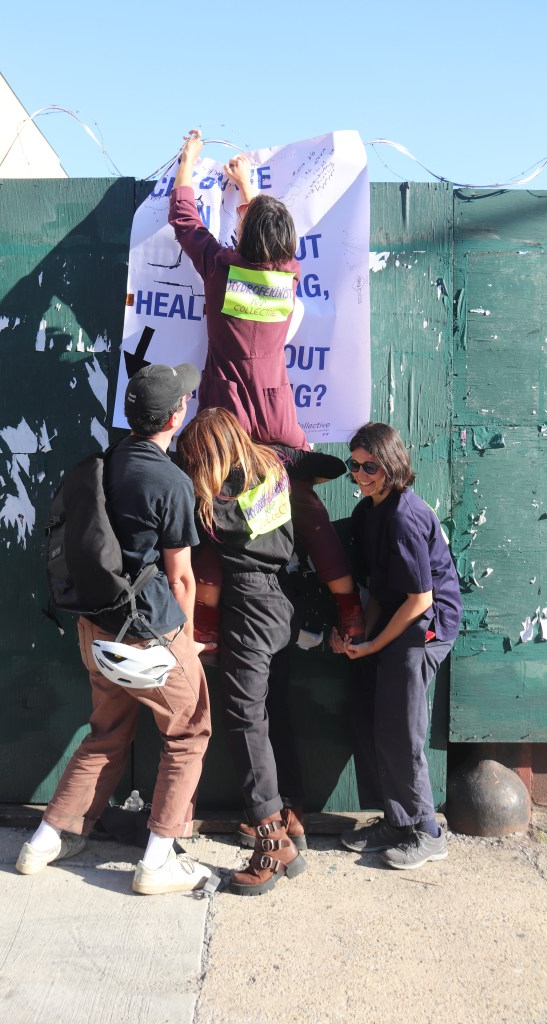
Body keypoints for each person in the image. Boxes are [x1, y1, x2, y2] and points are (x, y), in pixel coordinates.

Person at [16, 363, 216, 896]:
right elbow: (181, 578)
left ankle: (44, 841)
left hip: (96, 628)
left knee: (106, 733)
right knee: (189, 731)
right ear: (177, 415)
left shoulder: (105, 461)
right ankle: (157, 860)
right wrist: (189, 648)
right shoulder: (171, 482)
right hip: (152, 632)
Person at [168, 129, 363, 648]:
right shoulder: (287, 276)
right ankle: (350, 609)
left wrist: (188, 163)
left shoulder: (220, 270)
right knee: (304, 507)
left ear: (244, 236)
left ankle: (205, 625)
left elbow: (184, 220)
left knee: (216, 513)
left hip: (227, 425)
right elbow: (269, 242)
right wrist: (250, 188)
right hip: (278, 422)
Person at [177, 407, 346, 895]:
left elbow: (211, 525)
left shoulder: (218, 496)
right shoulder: (274, 473)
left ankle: (270, 840)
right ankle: (289, 818)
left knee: (244, 717)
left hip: (249, 603)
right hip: (280, 600)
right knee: (270, 710)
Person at [330, 422, 462, 870]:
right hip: (396, 614)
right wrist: (359, 637)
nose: (361, 474)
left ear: (391, 464)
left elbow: (420, 600)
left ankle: (428, 832)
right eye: (355, 465)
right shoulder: (370, 511)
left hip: (426, 625)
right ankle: (396, 820)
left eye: (371, 466)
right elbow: (377, 589)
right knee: (372, 717)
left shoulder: (406, 515)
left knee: (402, 727)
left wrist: (372, 647)